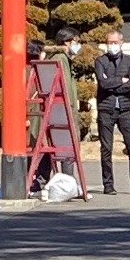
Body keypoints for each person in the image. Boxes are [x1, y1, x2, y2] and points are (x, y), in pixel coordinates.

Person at [94, 30, 130, 196]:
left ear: (121, 42)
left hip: (124, 110)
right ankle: (108, 185)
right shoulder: (100, 61)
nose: (112, 46)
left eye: (114, 42)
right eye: (109, 42)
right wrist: (120, 80)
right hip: (106, 109)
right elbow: (102, 83)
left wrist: (115, 83)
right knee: (106, 149)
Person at [38, 27, 81, 180]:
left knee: (51, 144)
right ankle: (68, 180)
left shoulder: (52, 57)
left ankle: (43, 178)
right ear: (67, 42)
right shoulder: (61, 59)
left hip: (54, 107)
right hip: (63, 107)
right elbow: (66, 86)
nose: (78, 45)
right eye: (76, 41)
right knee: (66, 145)